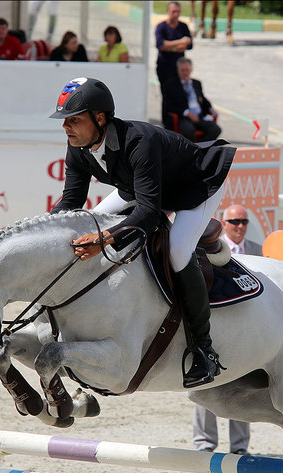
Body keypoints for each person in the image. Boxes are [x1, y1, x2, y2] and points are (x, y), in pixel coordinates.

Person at [49, 77, 235, 388]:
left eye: (75, 120)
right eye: (65, 121)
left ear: (100, 118)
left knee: (177, 250)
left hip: (195, 186)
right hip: (142, 188)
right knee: (95, 219)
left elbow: (149, 214)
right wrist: (44, 233)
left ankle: (204, 350)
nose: (67, 127)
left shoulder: (139, 142)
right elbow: (71, 203)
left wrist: (104, 240)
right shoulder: (78, 147)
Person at [192, 204, 259, 454]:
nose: (240, 226)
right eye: (235, 222)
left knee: (241, 386)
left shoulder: (259, 251)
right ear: (224, 223)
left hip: (245, 327)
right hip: (213, 324)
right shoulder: (207, 250)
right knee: (204, 381)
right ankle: (204, 444)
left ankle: (240, 447)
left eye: (244, 221)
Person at [161, 57, 220, 142]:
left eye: (187, 70)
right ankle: (191, 152)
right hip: (183, 117)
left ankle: (200, 149)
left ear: (191, 70)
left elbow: (202, 99)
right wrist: (187, 113)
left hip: (199, 116)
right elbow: (169, 105)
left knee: (215, 129)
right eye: (182, 70)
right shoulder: (170, 85)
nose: (185, 73)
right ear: (178, 70)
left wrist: (211, 109)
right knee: (189, 131)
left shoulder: (196, 83)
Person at [155, 1, 192, 86]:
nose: (176, 14)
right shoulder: (161, 26)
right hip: (164, 65)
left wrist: (170, 46)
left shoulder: (183, 26)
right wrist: (180, 42)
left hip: (179, 66)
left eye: (178, 12)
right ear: (168, 11)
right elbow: (160, 45)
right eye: (173, 12)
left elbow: (189, 44)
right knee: (166, 91)